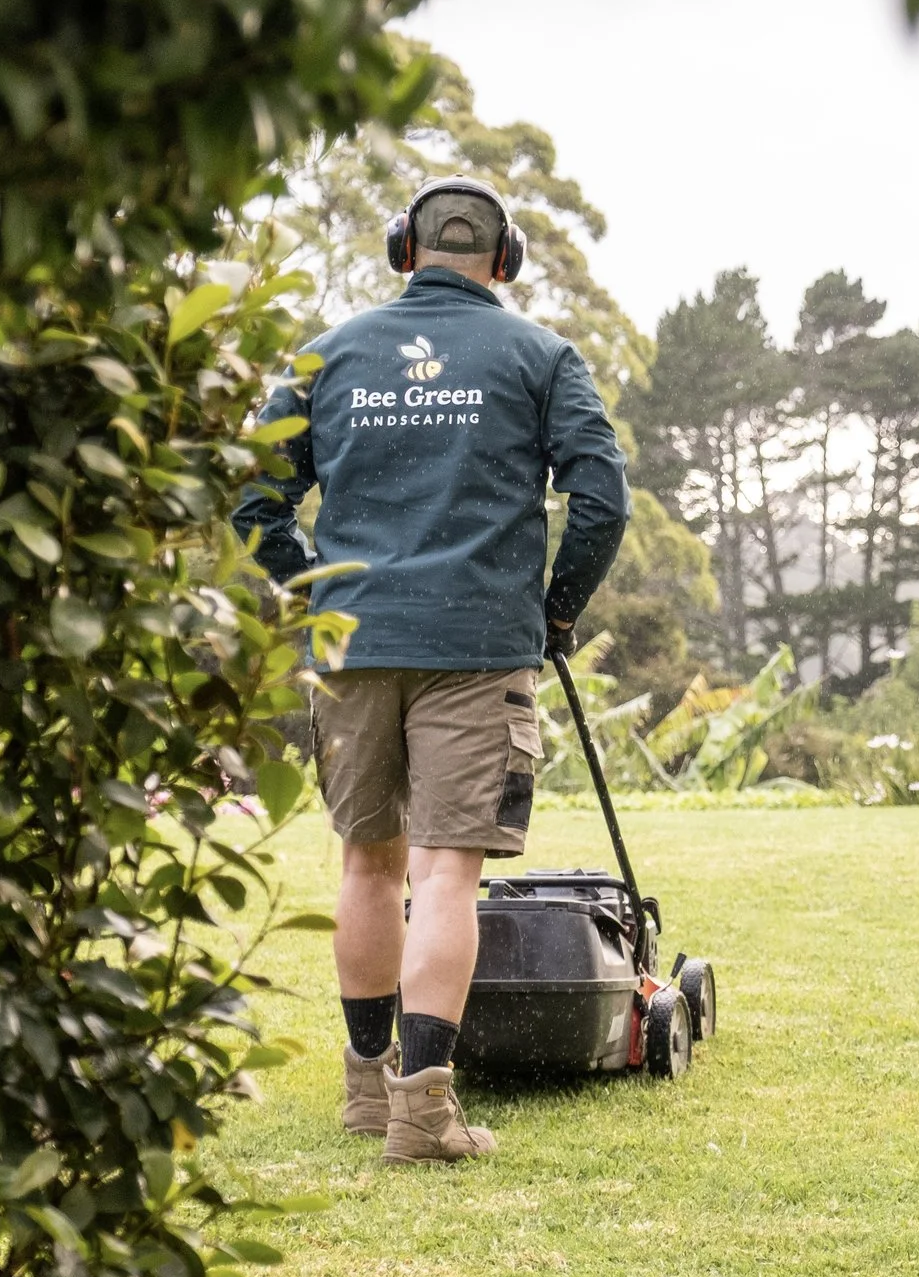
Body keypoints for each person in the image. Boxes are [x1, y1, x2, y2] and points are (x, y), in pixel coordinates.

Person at [234, 176, 628, 1165]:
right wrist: (555, 609)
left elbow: (254, 501)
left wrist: (320, 592)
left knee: (368, 861)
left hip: (354, 644)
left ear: (401, 247)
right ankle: (423, 1113)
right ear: (508, 260)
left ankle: (367, 1092)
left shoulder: (325, 355)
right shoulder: (542, 355)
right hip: (476, 647)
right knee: (445, 871)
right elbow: (601, 501)